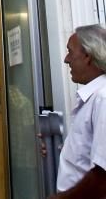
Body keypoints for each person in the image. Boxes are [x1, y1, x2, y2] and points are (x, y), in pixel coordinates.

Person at [51, 24, 106, 198]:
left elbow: (102, 178)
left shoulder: (102, 98)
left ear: (88, 56)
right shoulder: (92, 98)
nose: (66, 60)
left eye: (70, 51)